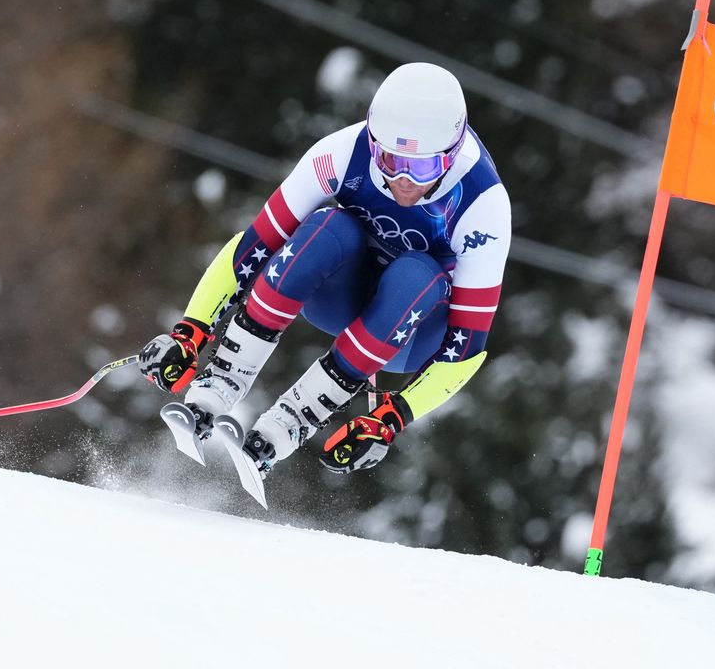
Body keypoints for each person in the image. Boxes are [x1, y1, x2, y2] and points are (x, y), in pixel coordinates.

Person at [137, 62, 511, 506]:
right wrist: (192, 329)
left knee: (418, 273)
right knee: (328, 226)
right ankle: (219, 384)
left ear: (450, 155)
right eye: (391, 160)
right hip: (338, 298)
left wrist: (392, 417)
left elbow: (465, 349)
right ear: (374, 143)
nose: (404, 180)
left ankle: (290, 422)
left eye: (423, 166)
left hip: (409, 334)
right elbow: (251, 248)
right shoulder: (340, 153)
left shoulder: (483, 204)